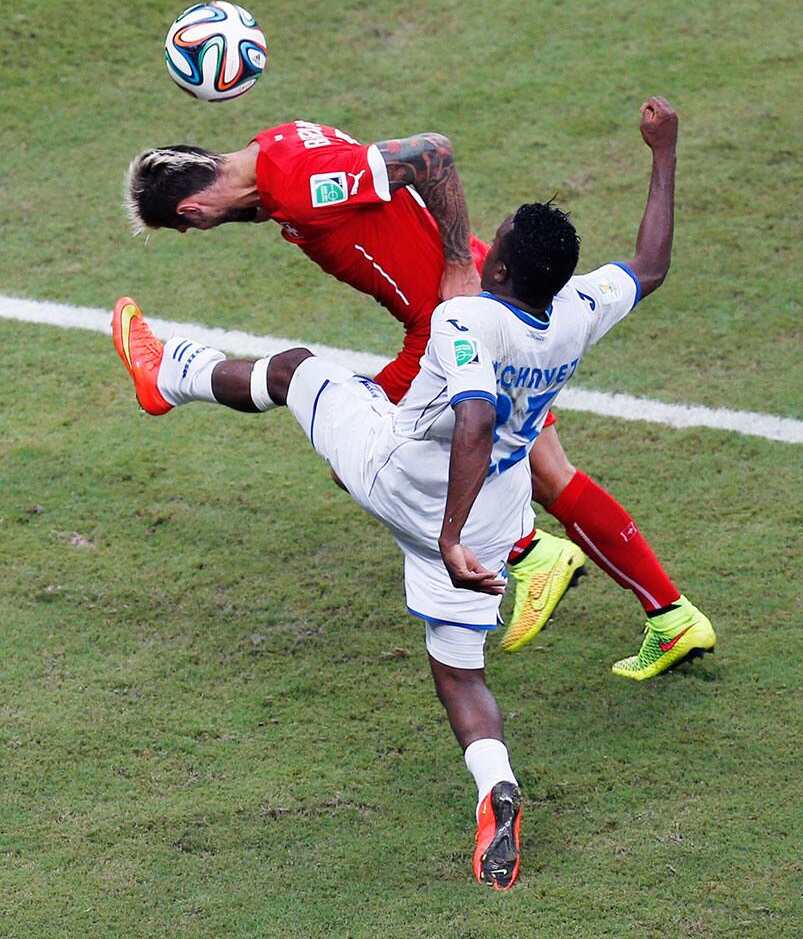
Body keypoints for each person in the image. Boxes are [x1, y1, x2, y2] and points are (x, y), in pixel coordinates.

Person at [113, 99, 716, 887]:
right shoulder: (574, 312)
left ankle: (170, 373)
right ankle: (495, 782)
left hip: (427, 486)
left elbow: (470, 416)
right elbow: (651, 264)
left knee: (298, 372)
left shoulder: (462, 323)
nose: (477, 239)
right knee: (461, 671)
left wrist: (449, 535)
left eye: (485, 241)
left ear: (491, 264)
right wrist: (663, 153)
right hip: (497, 503)